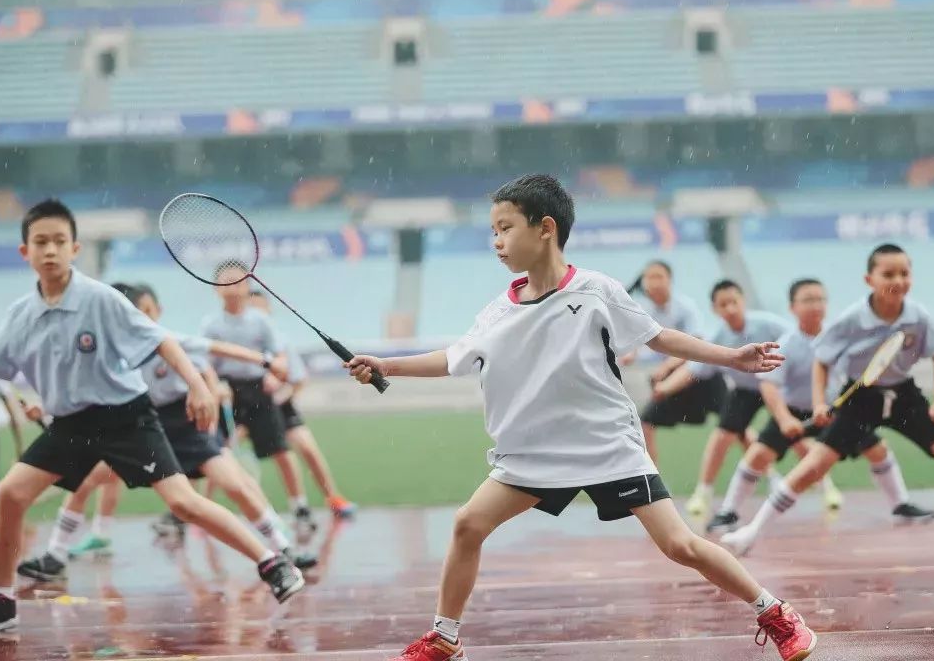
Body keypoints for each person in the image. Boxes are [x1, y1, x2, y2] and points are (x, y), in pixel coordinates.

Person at [345, 174, 817, 661]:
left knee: (681, 545)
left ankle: (776, 612)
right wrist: (386, 366)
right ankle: (445, 638)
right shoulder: (495, 314)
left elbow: (658, 337)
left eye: (505, 228)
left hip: (606, 448)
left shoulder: (596, 291)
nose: (496, 241)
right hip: (533, 456)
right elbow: (450, 359)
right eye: (493, 231)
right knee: (468, 524)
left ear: (545, 227)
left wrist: (731, 358)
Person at [0, 200, 304, 635]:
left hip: (125, 418)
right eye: (40, 242)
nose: (50, 250)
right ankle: (0, 600)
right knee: (12, 494)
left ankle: (272, 562)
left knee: (182, 502)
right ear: (24, 252)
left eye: (59, 241)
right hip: (71, 426)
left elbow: (163, 340)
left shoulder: (100, 299)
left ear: (75, 248)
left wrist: (198, 386)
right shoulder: (21, 315)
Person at [720, 244, 934, 556]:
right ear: (869, 279)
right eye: (888, 273)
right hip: (860, 399)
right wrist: (820, 403)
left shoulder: (918, 317)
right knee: (813, 466)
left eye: (904, 273)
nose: (898, 280)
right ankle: (751, 532)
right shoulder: (851, 320)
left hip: (905, 396)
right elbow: (822, 361)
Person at [17, 282, 317, 579]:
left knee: (236, 485)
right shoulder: (107, 350)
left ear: (158, 311)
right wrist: (43, 408)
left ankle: (284, 549)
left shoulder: (168, 340)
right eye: (137, 311)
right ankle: (56, 554)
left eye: (148, 310)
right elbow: (78, 385)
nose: (144, 317)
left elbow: (217, 350)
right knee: (84, 482)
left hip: (186, 426)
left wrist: (265, 361)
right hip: (139, 427)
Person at [706, 279, 933, 534]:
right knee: (758, 456)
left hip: (835, 411)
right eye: (808, 300)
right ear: (793, 308)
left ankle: (900, 504)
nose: (816, 305)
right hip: (793, 412)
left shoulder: (840, 337)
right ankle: (728, 512)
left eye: (820, 299)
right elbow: (769, 385)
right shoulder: (787, 344)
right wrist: (783, 419)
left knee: (878, 450)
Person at [653, 281, 790, 516]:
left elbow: (798, 344)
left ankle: (824, 488)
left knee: (797, 437)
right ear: (715, 309)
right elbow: (692, 370)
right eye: (723, 304)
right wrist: (665, 387)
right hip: (744, 391)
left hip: (778, 387)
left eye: (734, 302)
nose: (730, 309)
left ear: (743, 301)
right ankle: (703, 494)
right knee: (721, 437)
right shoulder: (717, 336)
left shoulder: (770, 324)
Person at [202, 266, 317, 531]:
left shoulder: (260, 321)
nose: (232, 285)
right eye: (226, 281)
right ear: (216, 288)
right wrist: (215, 385)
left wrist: (277, 375)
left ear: (247, 285)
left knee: (281, 450)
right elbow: (204, 362)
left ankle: (299, 506)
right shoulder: (211, 324)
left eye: (237, 280)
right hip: (227, 393)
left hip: (259, 390)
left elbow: (279, 355)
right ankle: (198, 510)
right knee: (214, 452)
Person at [247, 290, 356, 519]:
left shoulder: (280, 341)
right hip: (246, 405)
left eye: (261, 307)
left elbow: (299, 380)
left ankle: (332, 498)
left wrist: (277, 399)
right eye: (252, 309)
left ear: (269, 310)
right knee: (219, 453)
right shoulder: (241, 342)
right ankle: (197, 511)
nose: (258, 313)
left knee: (307, 449)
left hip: (280, 405)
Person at [619, 260, 725, 465]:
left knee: (735, 425)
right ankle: (653, 480)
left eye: (659, 276)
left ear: (670, 280)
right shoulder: (640, 309)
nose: (655, 282)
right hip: (666, 379)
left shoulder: (685, 307)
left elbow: (697, 343)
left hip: (699, 374)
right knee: (645, 424)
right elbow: (634, 340)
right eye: (650, 277)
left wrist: (668, 365)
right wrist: (630, 354)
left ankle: (769, 473)